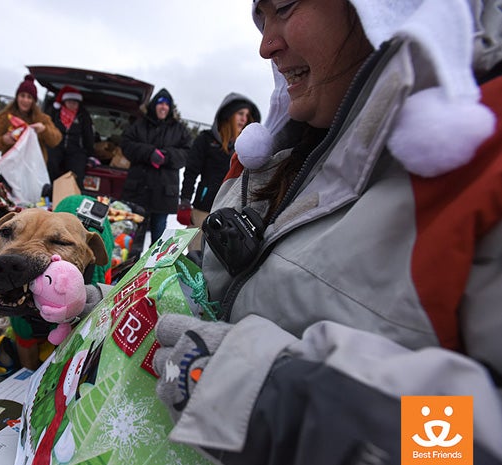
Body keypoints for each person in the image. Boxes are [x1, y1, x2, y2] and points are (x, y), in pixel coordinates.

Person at [152, 0, 502, 463]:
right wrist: (109, 316)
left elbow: (478, 443)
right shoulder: (264, 155)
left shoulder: (485, 164)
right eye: (260, 17)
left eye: (284, 7)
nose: (265, 45)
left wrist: (293, 406)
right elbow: (203, 288)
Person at [179, 93, 260, 251]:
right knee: (196, 255)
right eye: (240, 113)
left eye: (247, 116)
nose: (244, 119)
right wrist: (185, 202)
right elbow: (191, 171)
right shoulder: (206, 139)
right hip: (204, 208)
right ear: (229, 114)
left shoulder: (244, 148)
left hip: (230, 212)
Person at [120, 88, 192, 245]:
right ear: (154, 106)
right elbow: (126, 144)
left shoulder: (179, 129)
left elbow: (187, 154)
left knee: (158, 242)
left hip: (163, 194)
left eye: (167, 104)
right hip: (139, 191)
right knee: (132, 240)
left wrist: (166, 157)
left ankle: (152, 270)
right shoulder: (140, 125)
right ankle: (129, 269)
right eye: (160, 103)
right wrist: (149, 153)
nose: (163, 107)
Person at [0, 74, 62, 189]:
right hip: (10, 172)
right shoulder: (5, 118)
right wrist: (3, 140)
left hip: (33, 173)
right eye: (22, 96)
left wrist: (44, 130)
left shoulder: (42, 119)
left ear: (34, 100)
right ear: (17, 97)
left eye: (29, 97)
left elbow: (56, 139)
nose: (25, 100)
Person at [47, 85, 95, 189]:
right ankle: (50, 192)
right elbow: (47, 128)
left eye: (75, 102)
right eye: (70, 101)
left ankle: (75, 196)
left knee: (76, 173)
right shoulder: (55, 113)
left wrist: (90, 155)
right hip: (56, 146)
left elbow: (88, 135)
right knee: (50, 163)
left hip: (76, 149)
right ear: (65, 101)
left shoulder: (83, 116)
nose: (72, 104)